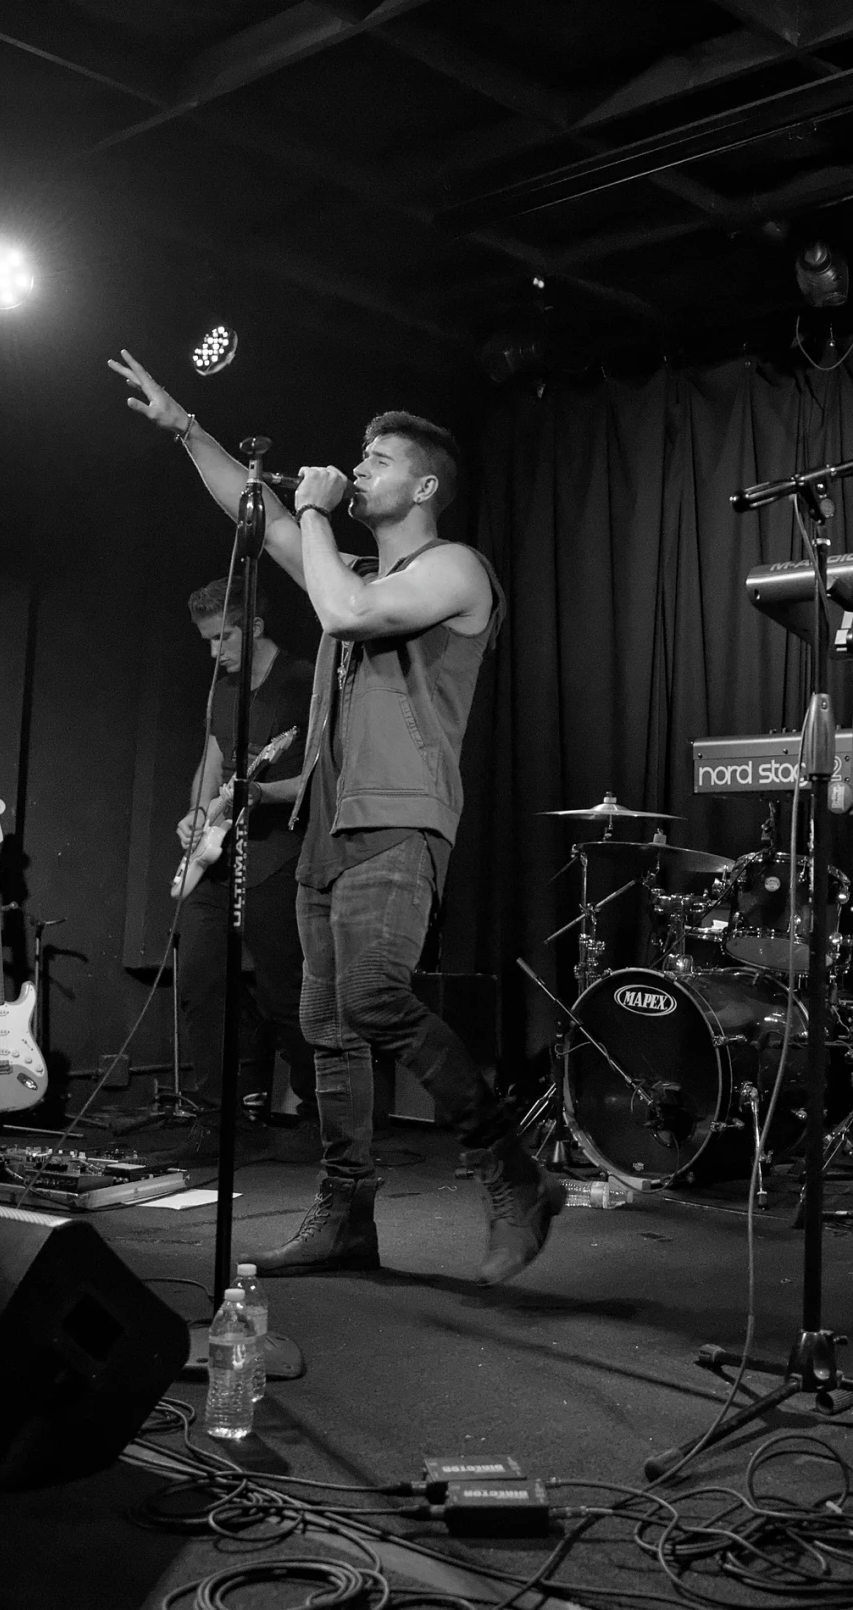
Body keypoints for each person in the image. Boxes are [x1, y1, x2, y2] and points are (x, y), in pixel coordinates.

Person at [109, 349, 563, 1285]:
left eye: (380, 459)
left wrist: (313, 510)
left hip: (401, 818)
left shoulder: (456, 570)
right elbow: (263, 516)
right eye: (360, 454)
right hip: (326, 821)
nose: (361, 466)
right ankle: (345, 1212)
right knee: (326, 1024)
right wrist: (186, 425)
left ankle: (509, 1167)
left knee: (373, 998)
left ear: (425, 483)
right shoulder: (343, 557)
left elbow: (347, 610)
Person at [172, 579, 311, 1141]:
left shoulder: (301, 683)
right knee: (201, 980)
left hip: (278, 853)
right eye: (205, 641)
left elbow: (324, 776)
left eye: (222, 638)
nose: (215, 653)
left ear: (252, 625)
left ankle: (320, 1111)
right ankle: (216, 1115)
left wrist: (264, 793)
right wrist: (197, 815)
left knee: (284, 991)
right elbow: (212, 756)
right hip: (221, 851)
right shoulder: (223, 690)